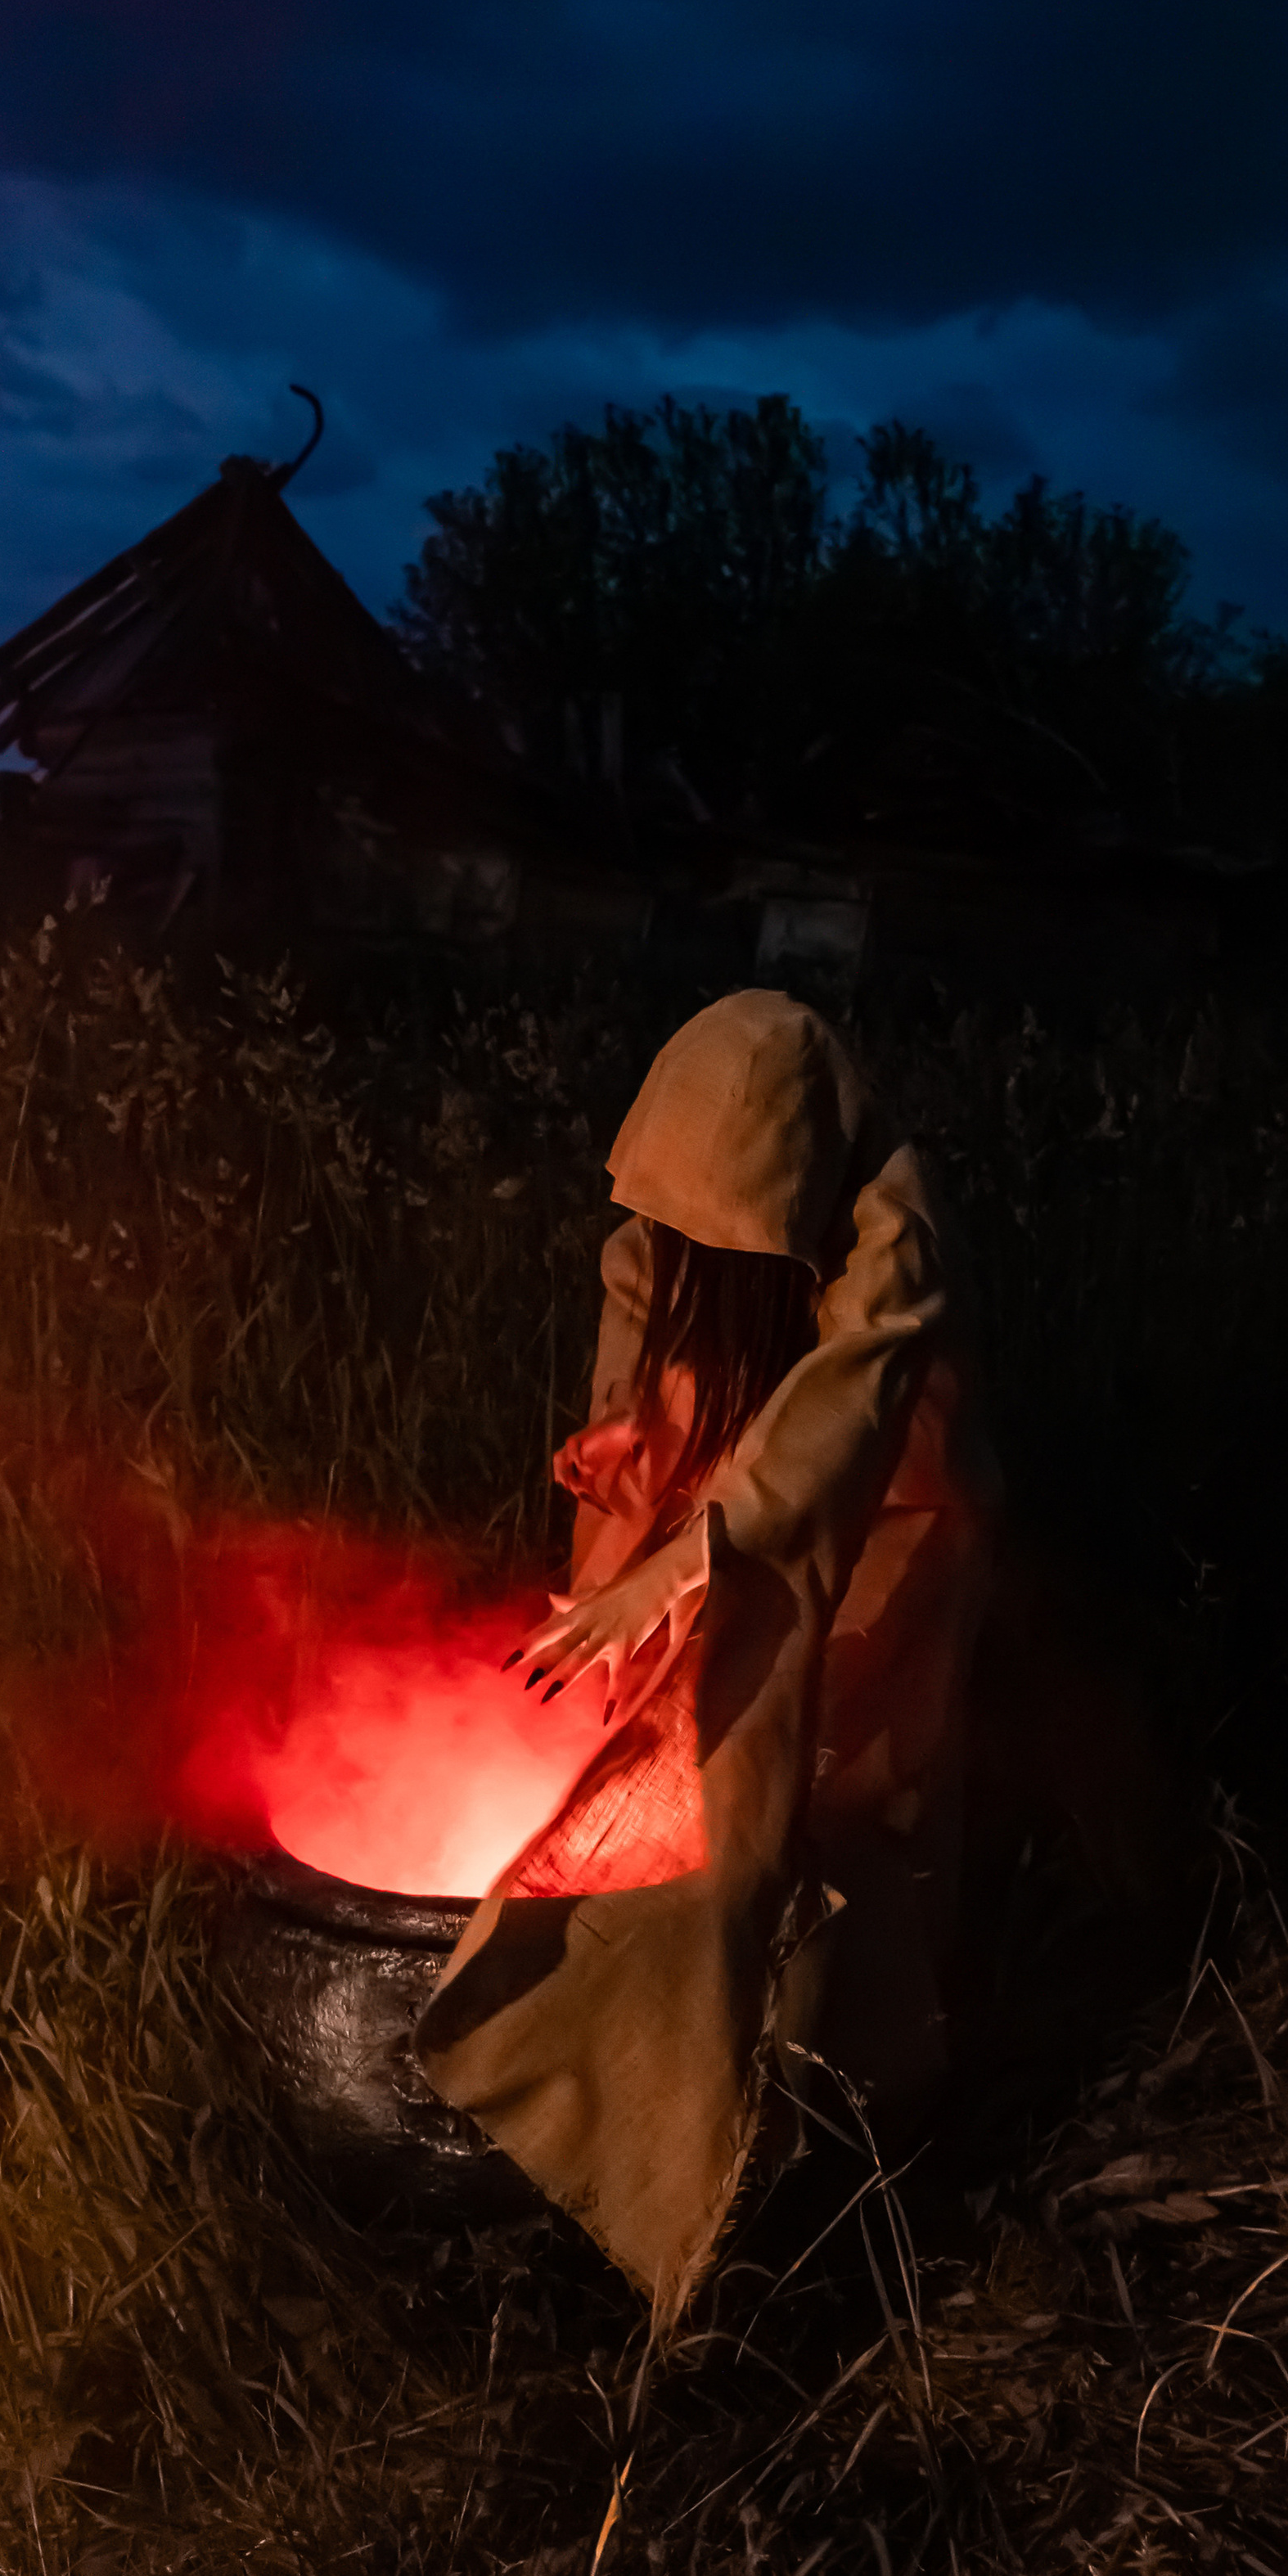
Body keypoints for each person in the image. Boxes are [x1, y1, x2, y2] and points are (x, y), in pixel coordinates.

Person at [414, 989, 1004, 2326]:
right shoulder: (665, 1235)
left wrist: (691, 1563)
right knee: (669, 1759)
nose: (676, 1245)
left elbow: (840, 1420)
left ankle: (853, 2121)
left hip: (893, 1520)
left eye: (710, 1229)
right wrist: (630, 1459)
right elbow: (651, 1343)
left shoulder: (893, 1229)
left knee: (848, 1789)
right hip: (744, 1511)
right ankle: (657, 2098)